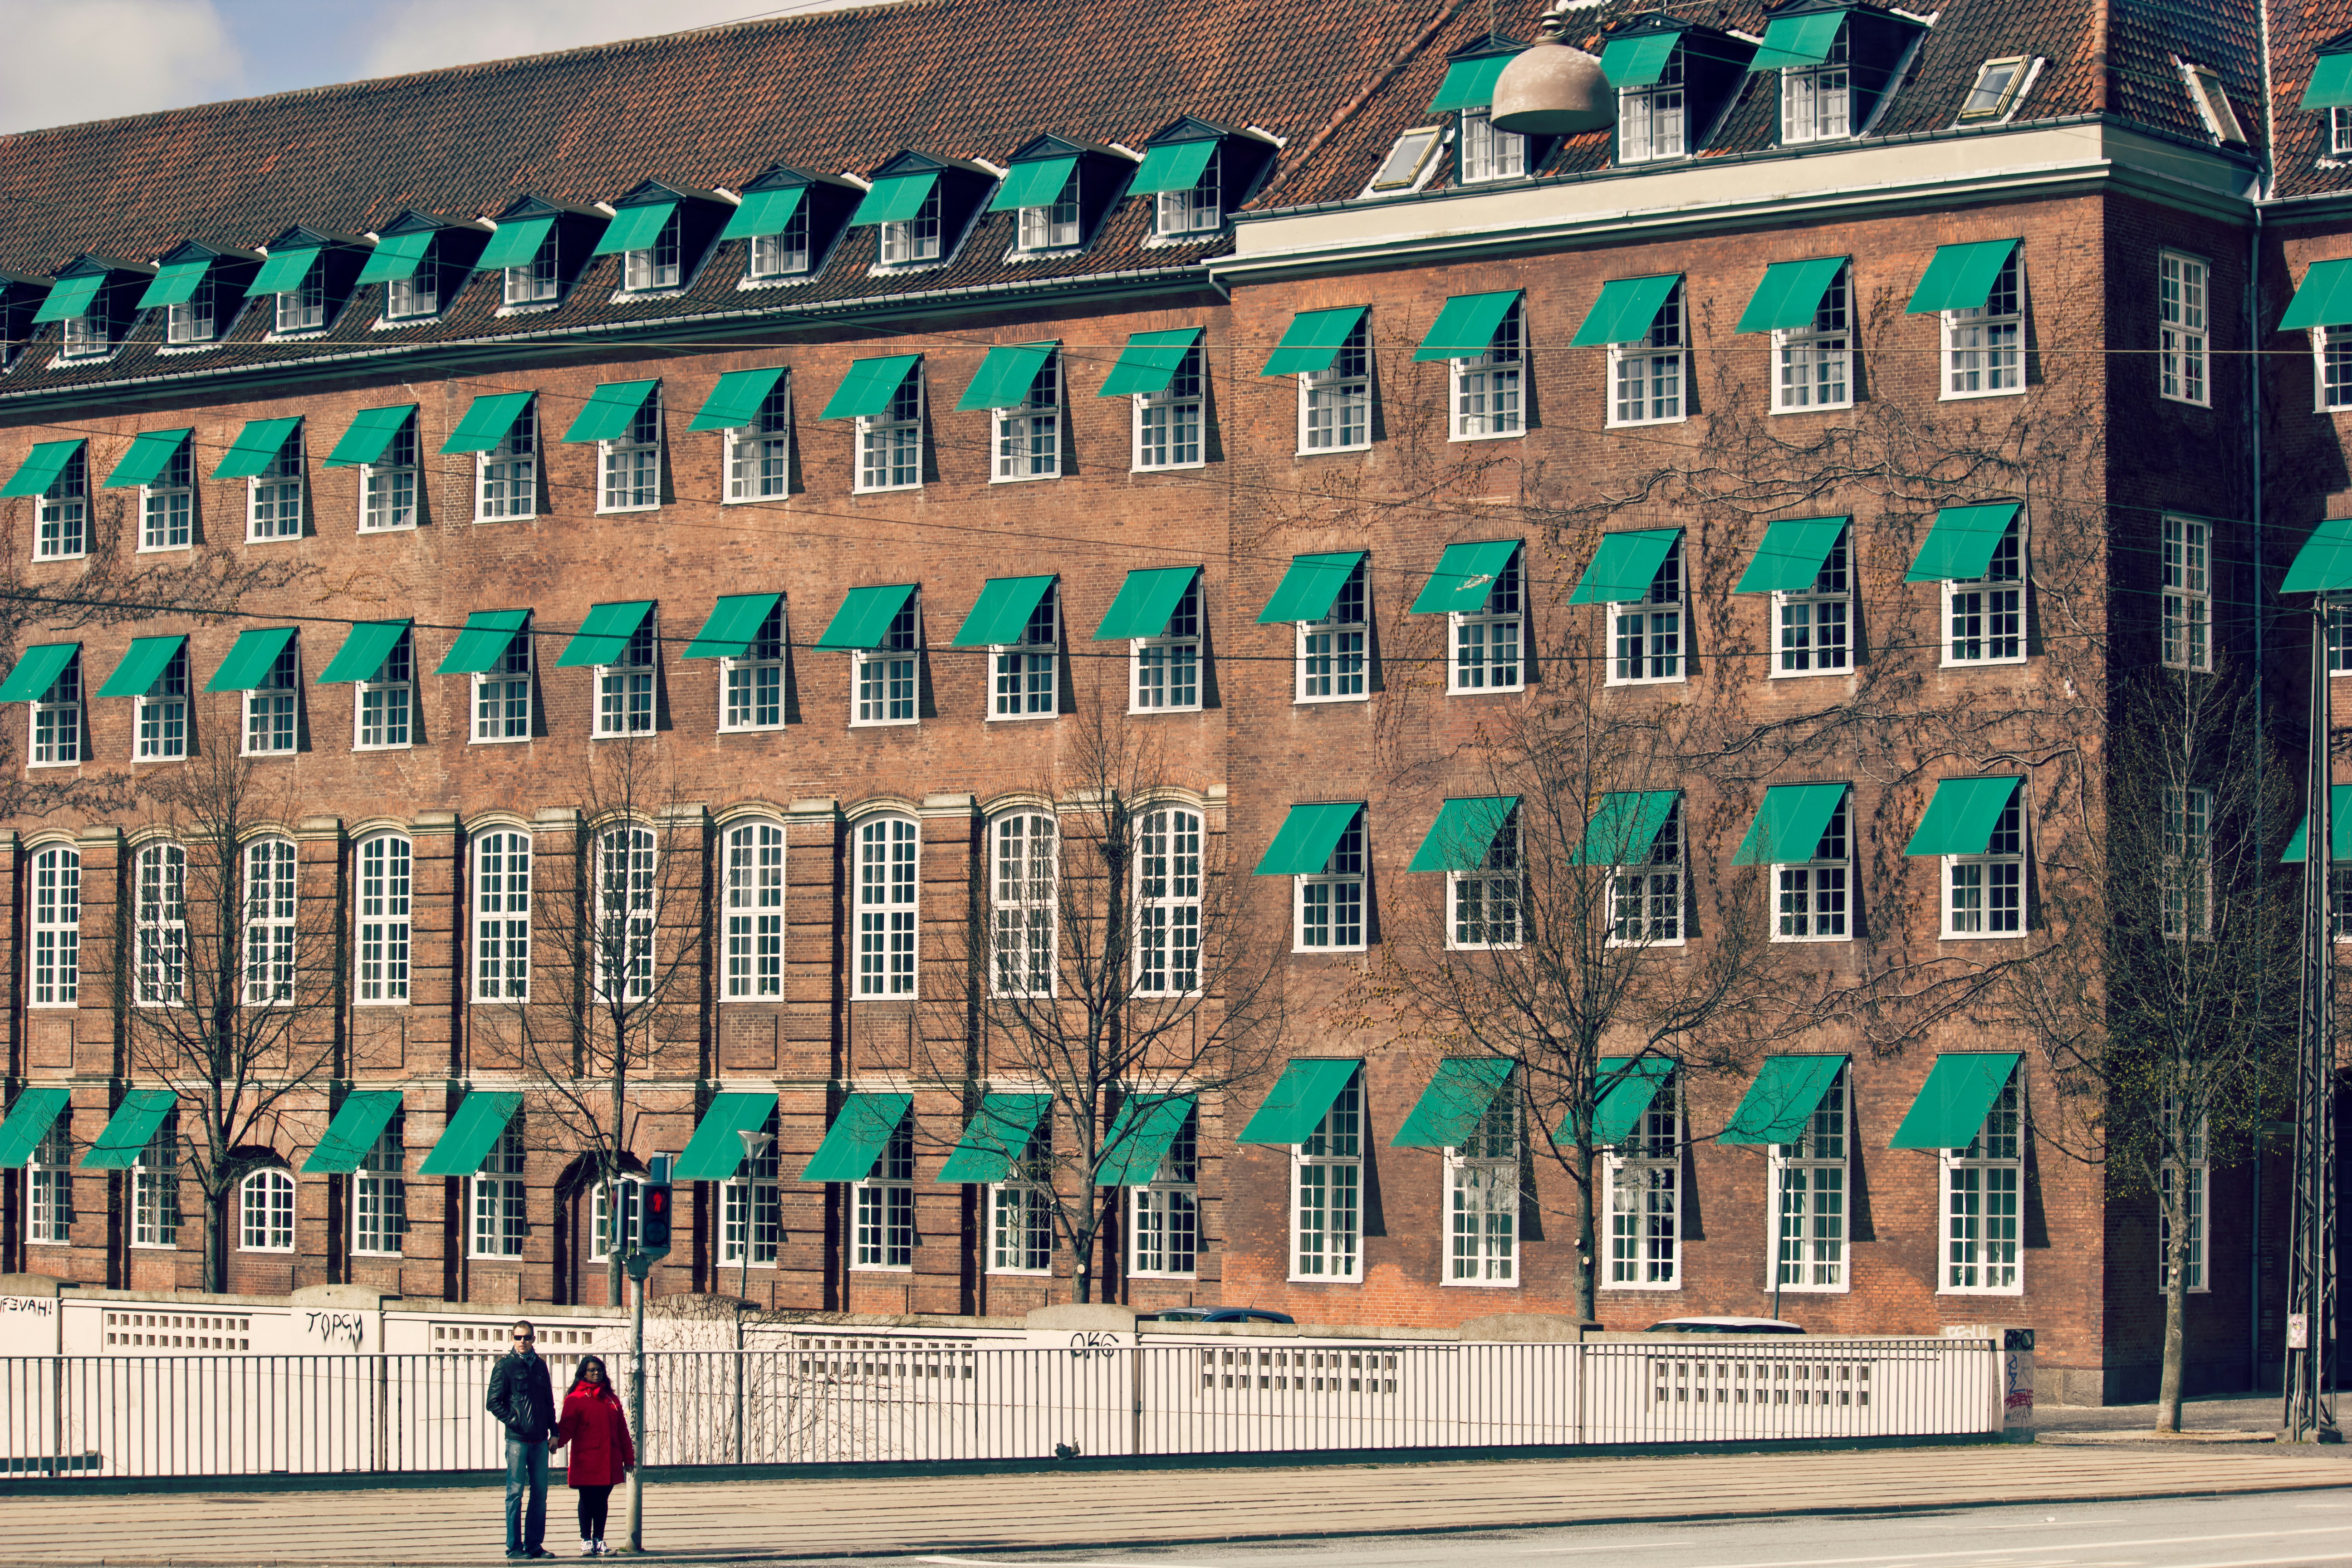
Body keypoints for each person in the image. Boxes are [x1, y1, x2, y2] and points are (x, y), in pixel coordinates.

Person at [485, 1320, 557, 1559]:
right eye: (518, 1338)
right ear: (512, 1339)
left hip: (539, 1440)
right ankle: (514, 1548)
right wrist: (515, 1421)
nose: (523, 1342)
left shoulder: (540, 1366)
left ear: (533, 1339)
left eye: (527, 1338)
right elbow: (493, 1402)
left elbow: (549, 1402)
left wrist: (554, 1432)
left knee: (540, 1493)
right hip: (517, 1440)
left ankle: (534, 1545)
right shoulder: (505, 1366)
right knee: (515, 1493)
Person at [551, 1354, 635, 1557]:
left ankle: (599, 1539)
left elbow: (622, 1430)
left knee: (602, 1500)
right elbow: (568, 1426)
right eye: (592, 1370)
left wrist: (628, 1458)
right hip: (587, 1458)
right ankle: (586, 1540)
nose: (596, 1373)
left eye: (599, 1370)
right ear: (583, 1373)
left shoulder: (611, 1399)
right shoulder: (575, 1399)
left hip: (610, 1459)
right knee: (587, 1499)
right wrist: (556, 1441)